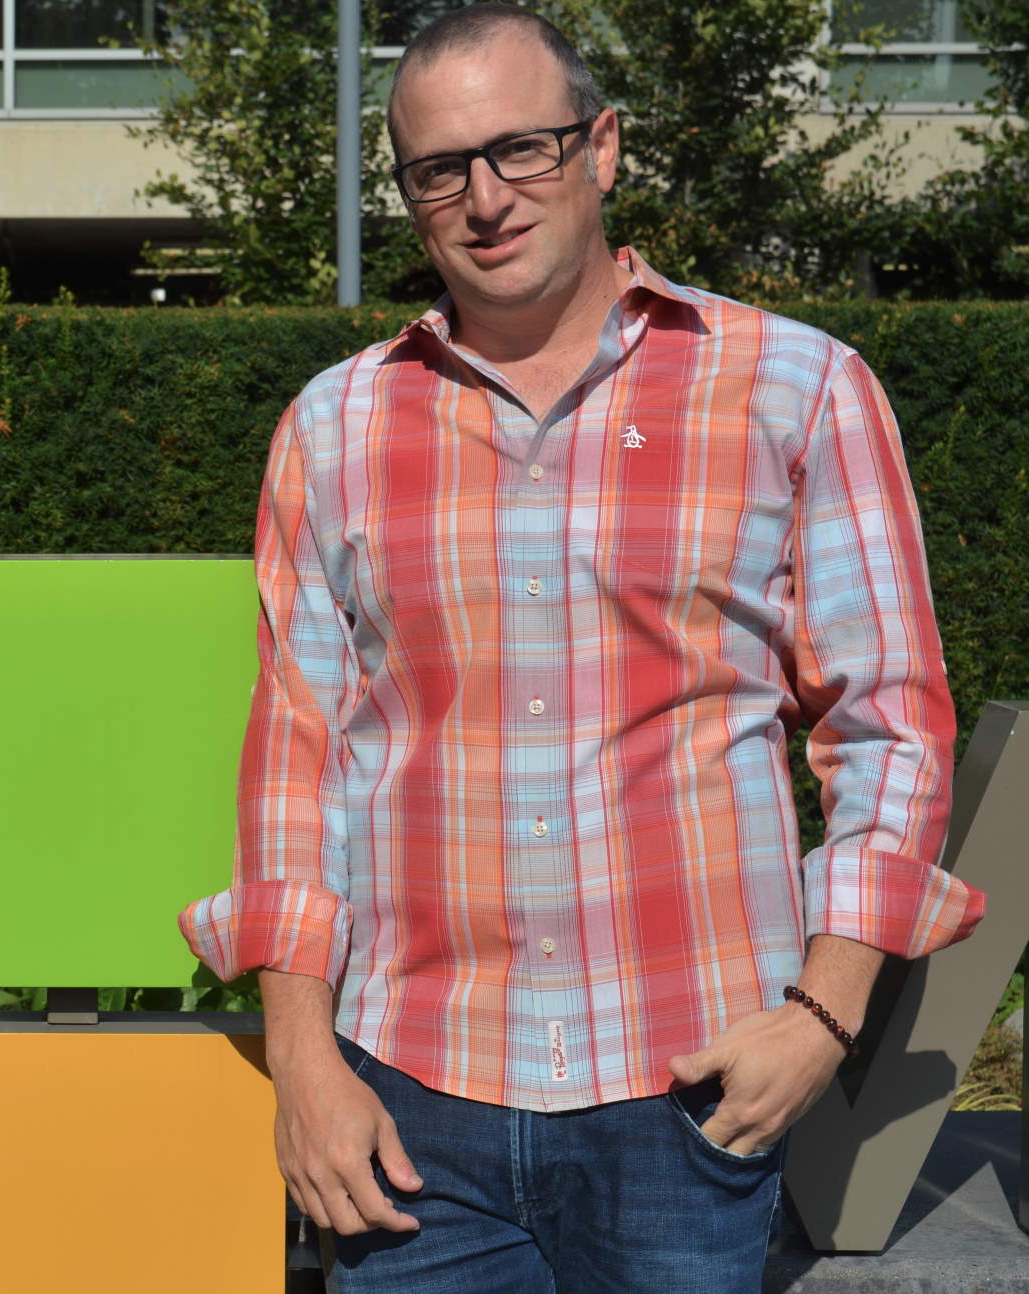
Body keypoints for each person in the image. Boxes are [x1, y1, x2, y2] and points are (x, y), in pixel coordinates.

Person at [179, 7, 985, 1290]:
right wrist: (301, 1057)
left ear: (599, 147)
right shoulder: (333, 427)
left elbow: (886, 722)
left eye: (521, 149)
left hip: (687, 1088)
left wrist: (822, 1016)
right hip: (403, 1097)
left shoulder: (796, 388)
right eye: (438, 168)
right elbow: (296, 756)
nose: (484, 198)